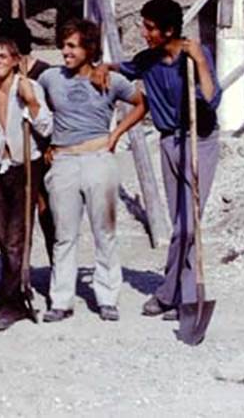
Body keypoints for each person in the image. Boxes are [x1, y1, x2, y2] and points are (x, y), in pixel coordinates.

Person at [111, 0, 222, 321]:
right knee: (180, 225)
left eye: (149, 28)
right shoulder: (149, 60)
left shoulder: (194, 57)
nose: (144, 33)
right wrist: (104, 68)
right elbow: (127, 68)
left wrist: (200, 61)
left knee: (189, 227)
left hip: (199, 140)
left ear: (168, 30)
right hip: (170, 142)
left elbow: (212, 99)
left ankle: (177, 294)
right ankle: (175, 293)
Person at [37, 19, 146, 323]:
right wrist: (46, 143)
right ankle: (61, 300)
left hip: (99, 158)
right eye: (63, 45)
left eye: (72, 46)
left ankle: (108, 297)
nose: (65, 51)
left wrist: (116, 134)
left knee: (105, 231)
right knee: (64, 234)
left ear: (89, 48)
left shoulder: (110, 80)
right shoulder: (49, 78)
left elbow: (141, 103)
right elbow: (36, 111)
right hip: (64, 163)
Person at [0, 38, 54, 331]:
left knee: (15, 240)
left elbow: (47, 127)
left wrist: (31, 102)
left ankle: (13, 302)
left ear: (14, 60)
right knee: (2, 234)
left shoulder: (29, 88)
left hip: (25, 169)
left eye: (2, 56)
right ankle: (12, 295)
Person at [0, 17, 56, 265]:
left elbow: (54, 114)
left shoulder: (45, 73)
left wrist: (53, 145)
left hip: (41, 153)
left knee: (47, 212)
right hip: (15, 157)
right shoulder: (0, 77)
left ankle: (56, 271)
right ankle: (19, 274)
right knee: (16, 218)